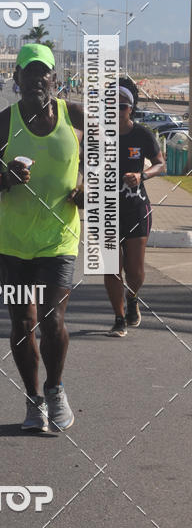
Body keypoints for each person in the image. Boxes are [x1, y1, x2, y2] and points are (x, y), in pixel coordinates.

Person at [0, 44, 84, 433]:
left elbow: (104, 165)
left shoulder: (77, 117)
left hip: (60, 239)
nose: (37, 79)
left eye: (44, 72)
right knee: (23, 323)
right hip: (14, 243)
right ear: (16, 79)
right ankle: (33, 399)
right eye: (29, 72)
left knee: (52, 321)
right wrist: (4, 179)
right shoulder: (0, 125)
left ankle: (55, 389)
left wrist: (88, 188)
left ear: (54, 78)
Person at [104, 78, 165, 337]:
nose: (116, 110)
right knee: (110, 266)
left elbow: (161, 163)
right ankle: (118, 318)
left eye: (122, 106)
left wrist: (143, 176)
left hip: (136, 207)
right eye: (111, 105)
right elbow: (82, 162)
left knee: (135, 269)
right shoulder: (97, 134)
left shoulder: (142, 134)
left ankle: (133, 298)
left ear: (131, 108)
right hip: (104, 210)